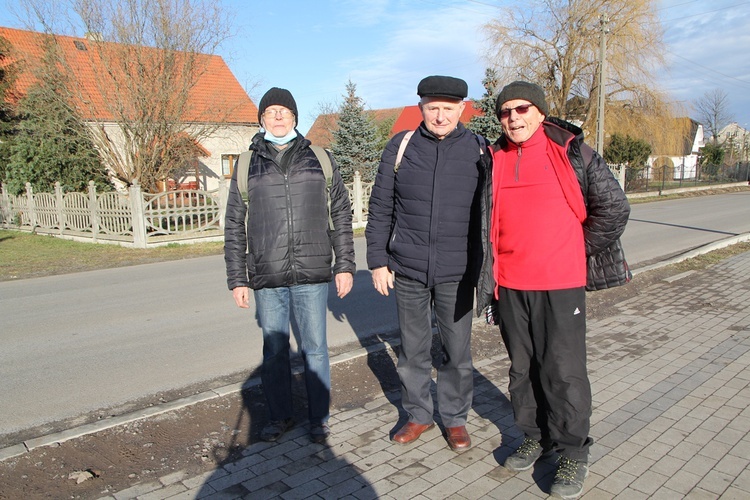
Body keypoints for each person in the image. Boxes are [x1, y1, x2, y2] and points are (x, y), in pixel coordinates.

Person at [479, 81, 630, 499]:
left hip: (560, 284)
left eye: (522, 109)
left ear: (541, 112)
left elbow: (615, 207)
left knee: (562, 372)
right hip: (509, 284)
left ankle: (572, 452)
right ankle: (535, 437)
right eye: (505, 111)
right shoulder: (493, 159)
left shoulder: (571, 152)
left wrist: (574, 249)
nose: (514, 118)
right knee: (522, 370)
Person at [366, 75, 492, 451]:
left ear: (462, 109)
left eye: (447, 109)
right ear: (421, 108)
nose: (439, 116)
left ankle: (454, 419)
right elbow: (380, 207)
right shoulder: (401, 147)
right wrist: (377, 261)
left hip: (457, 272)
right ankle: (418, 414)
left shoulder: (479, 150)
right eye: (432, 108)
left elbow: (489, 213)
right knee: (413, 350)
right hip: (407, 269)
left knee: (457, 351)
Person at [224, 87, 355, 444]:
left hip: (312, 273)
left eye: (284, 111)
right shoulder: (247, 163)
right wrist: (238, 278)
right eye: (271, 111)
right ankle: (280, 417)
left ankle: (319, 419)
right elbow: (234, 224)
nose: (278, 116)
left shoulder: (320, 157)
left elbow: (341, 214)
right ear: (262, 119)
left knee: (315, 347)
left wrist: (344, 264)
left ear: (295, 118)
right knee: (275, 350)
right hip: (267, 277)